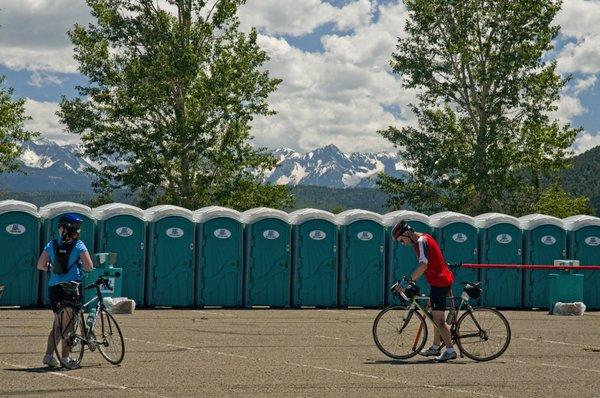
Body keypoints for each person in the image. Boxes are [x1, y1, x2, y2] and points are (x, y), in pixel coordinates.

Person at [391, 220, 456, 362]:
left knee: (439, 320)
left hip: (440, 282)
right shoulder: (423, 238)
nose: (402, 243)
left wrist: (407, 280)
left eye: (401, 240)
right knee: (434, 315)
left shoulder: (420, 242)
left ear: (407, 233)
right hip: (439, 280)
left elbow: (423, 265)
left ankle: (450, 350)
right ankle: (435, 347)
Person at [36, 213, 93, 368]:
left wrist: (52, 268)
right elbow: (89, 266)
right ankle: (66, 358)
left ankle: (48, 356)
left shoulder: (52, 244)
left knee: (57, 324)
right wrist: (80, 268)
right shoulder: (79, 245)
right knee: (68, 324)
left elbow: (40, 265)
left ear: (63, 228)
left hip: (54, 287)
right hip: (71, 287)